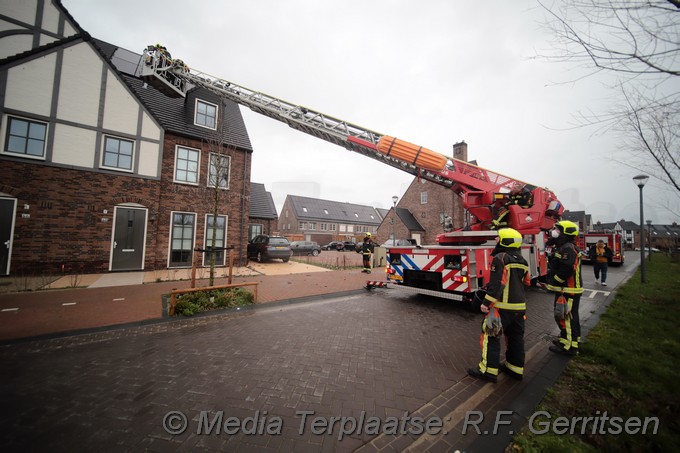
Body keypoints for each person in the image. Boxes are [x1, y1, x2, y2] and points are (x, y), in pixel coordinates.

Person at [467, 228, 531, 383]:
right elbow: (527, 283)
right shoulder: (522, 261)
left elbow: (498, 284)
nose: (496, 239)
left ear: (505, 241)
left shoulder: (500, 258)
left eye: (499, 237)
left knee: (490, 336)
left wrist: (486, 303)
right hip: (519, 308)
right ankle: (515, 369)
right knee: (515, 338)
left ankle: (488, 371)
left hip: (501, 308)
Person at [546, 220, 584, 356]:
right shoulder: (564, 246)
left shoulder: (568, 248)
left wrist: (555, 281)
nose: (555, 231)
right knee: (569, 317)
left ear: (565, 232)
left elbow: (567, 268)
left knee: (566, 317)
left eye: (558, 229)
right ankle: (570, 340)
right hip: (567, 289)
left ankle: (567, 346)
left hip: (569, 289)